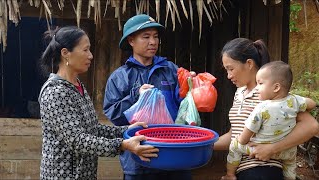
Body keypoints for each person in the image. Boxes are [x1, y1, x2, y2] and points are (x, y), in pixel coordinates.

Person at [38, 26, 159, 180]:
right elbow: (77, 140)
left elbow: (92, 129)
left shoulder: (77, 86)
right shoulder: (56, 92)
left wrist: (126, 130)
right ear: (65, 53)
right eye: (85, 50)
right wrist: (122, 145)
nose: (90, 56)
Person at [214, 37, 319, 180]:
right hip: (240, 168)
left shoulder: (270, 93)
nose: (228, 75)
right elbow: (235, 135)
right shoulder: (239, 93)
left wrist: (272, 148)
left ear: (249, 64)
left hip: (264, 168)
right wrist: (203, 145)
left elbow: (311, 126)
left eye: (231, 69)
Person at [103, 14, 192, 180]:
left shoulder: (171, 70)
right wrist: (136, 96)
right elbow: (114, 114)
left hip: (175, 155)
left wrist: (193, 87)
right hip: (139, 159)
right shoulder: (120, 77)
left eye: (156, 36)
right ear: (131, 41)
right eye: (146, 37)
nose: (153, 42)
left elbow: (184, 106)